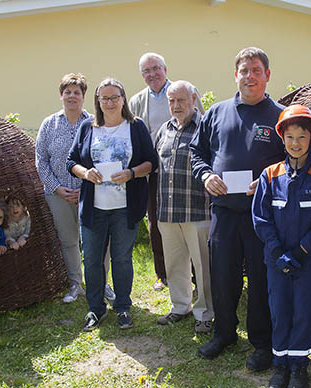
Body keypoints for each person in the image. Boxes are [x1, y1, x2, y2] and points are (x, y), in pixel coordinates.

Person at [191, 47, 285, 371]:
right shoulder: (215, 113)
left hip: (263, 216)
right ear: (236, 75)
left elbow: (295, 160)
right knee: (223, 275)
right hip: (224, 210)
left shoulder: (280, 116)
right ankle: (224, 333)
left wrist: (270, 181)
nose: (250, 76)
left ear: (267, 75)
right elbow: (197, 153)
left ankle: (262, 343)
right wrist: (205, 175)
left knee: (260, 279)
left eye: (256, 70)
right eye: (244, 71)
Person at [252, 105, 311, 388]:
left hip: (308, 260)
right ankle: (280, 364)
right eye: (290, 137)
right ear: (282, 138)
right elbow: (261, 218)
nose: (295, 143)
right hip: (276, 261)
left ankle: (299, 366)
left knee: (303, 310)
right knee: (280, 311)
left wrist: (301, 251)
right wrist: (278, 252)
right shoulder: (269, 175)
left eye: (302, 137)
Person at [67, 77, 158, 330]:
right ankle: (95, 309)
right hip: (94, 208)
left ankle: (123, 307)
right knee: (93, 260)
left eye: (114, 97)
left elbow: (152, 161)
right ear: (98, 101)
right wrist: (85, 173)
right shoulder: (88, 127)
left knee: (121, 259)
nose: (109, 102)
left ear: (123, 99)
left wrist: (131, 173)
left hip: (124, 208)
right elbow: (71, 161)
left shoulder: (135, 126)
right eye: (104, 98)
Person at [36, 73, 116, 305]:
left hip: (91, 192)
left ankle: (102, 283)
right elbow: (41, 160)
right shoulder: (49, 124)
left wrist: (86, 187)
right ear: (61, 95)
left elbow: (103, 158)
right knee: (68, 240)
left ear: (83, 97)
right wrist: (57, 188)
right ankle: (75, 283)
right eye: (68, 92)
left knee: (99, 240)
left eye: (77, 92)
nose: (72, 96)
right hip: (58, 195)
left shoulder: (94, 123)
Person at [129, 52, 204, 291]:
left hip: (187, 170)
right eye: (146, 71)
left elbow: (203, 123)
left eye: (155, 69)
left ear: (165, 68)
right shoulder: (137, 101)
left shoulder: (184, 90)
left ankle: (195, 275)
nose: (152, 74)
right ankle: (164, 275)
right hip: (156, 170)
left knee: (192, 226)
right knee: (157, 223)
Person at [154, 80, 214, 334]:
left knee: (203, 266)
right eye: (171, 100)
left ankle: (205, 313)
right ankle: (180, 306)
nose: (176, 105)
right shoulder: (163, 130)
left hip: (197, 210)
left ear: (193, 98)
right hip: (167, 212)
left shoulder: (206, 128)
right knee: (175, 263)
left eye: (181, 100)